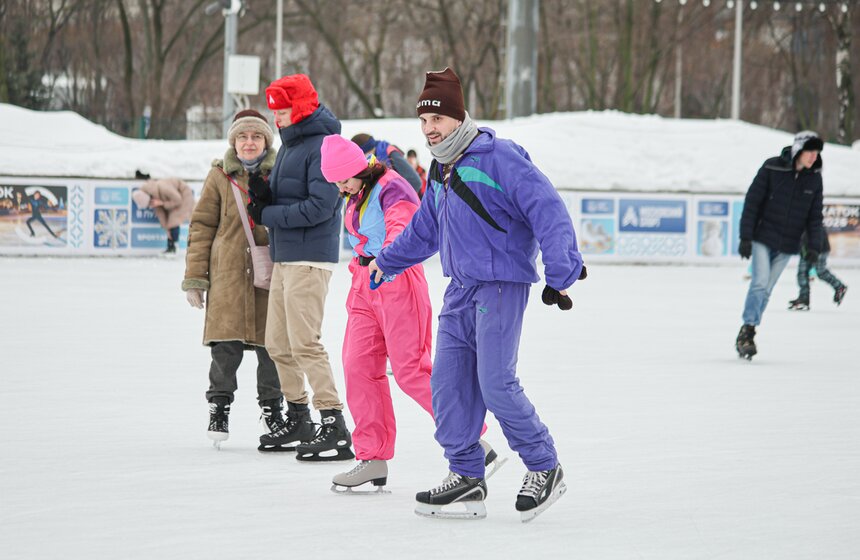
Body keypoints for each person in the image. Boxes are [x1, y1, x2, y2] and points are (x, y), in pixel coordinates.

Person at [367, 68, 585, 522]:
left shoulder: (499, 157)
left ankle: (545, 466)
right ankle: (467, 477)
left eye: (437, 120)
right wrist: (386, 261)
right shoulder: (440, 167)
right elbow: (426, 228)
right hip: (459, 291)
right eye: (424, 122)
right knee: (447, 387)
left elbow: (547, 207)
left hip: (501, 287)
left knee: (496, 383)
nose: (430, 129)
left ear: (457, 115)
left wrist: (560, 268)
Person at [246, 73, 354, 462]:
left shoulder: (325, 146)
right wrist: (264, 194)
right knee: (277, 343)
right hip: (285, 256)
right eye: (275, 111)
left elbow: (320, 207)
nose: (277, 118)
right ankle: (299, 417)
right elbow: (290, 196)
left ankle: (334, 423)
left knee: (305, 342)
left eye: (284, 110)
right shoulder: (291, 145)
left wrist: (269, 212)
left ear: (302, 107)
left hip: (311, 259)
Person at [182, 109, 285, 448]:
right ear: (234, 142)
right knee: (225, 348)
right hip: (227, 276)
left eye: (256, 136)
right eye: (243, 136)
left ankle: (274, 411)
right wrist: (196, 278)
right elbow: (201, 228)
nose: (249, 142)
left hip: (268, 274)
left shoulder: (280, 172)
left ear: (266, 141)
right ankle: (219, 408)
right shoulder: (218, 176)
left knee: (271, 347)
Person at [736, 130, 825, 359]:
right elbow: (752, 201)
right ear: (798, 150)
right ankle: (747, 331)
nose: (813, 157)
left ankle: (749, 330)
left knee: (766, 289)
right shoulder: (772, 168)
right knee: (759, 283)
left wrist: (814, 246)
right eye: (810, 152)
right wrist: (745, 236)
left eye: (816, 153)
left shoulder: (814, 179)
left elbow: (814, 218)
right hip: (762, 237)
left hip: (788, 244)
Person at [788, 231, 848, 310]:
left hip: (819, 247)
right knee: (802, 273)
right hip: (805, 247)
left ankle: (839, 286)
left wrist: (815, 248)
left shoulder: (812, 221)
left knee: (820, 271)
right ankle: (803, 299)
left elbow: (816, 229)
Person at [132, 178, 194, 253]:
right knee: (169, 224)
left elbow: (178, 199)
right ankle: (170, 246)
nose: (151, 205)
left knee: (173, 220)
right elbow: (161, 216)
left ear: (149, 198)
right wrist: (167, 230)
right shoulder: (153, 198)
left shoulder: (163, 188)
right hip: (172, 200)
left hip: (183, 195)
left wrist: (162, 203)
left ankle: (174, 246)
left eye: (149, 203)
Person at [350, 133, 423, 196]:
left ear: (368, 151)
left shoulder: (391, 154)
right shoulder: (374, 159)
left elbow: (415, 181)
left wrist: (396, 199)